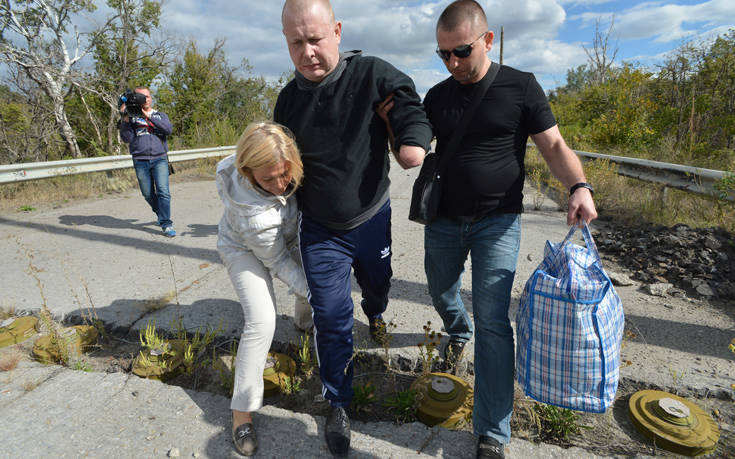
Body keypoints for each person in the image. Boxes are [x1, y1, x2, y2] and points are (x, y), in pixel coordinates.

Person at [422, 2, 598, 458]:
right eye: (443, 54)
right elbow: (410, 142)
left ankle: (492, 433)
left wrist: (578, 186)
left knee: (495, 323)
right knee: (441, 291)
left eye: (461, 51)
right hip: (443, 221)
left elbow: (555, 144)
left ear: (487, 40)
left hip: (497, 222)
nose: (453, 63)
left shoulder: (521, 87)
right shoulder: (438, 95)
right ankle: (455, 330)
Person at [275, 0, 432, 455]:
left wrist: (411, 142)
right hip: (320, 227)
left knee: (376, 284)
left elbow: (409, 105)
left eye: (316, 39)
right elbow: (277, 157)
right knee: (330, 314)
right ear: (286, 43)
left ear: (338, 31)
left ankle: (377, 312)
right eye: (296, 43)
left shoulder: (371, 74)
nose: (308, 52)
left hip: (370, 215)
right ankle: (337, 402)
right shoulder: (288, 99)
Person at [215, 121, 313, 456]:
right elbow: (279, 263)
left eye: (284, 175)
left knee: (310, 286)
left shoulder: (285, 164)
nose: (279, 185)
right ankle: (241, 412)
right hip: (244, 248)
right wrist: (316, 294)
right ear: (246, 170)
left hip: (286, 233)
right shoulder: (254, 214)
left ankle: (305, 322)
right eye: (267, 179)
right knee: (262, 321)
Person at [118, 86, 176, 237]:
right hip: (140, 160)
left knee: (163, 191)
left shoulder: (159, 115)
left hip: (160, 159)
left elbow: (168, 129)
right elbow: (127, 138)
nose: (146, 99)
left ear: (151, 98)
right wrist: (124, 119)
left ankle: (166, 224)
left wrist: (147, 116)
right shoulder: (131, 118)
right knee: (148, 194)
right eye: (142, 97)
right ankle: (160, 213)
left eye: (148, 96)